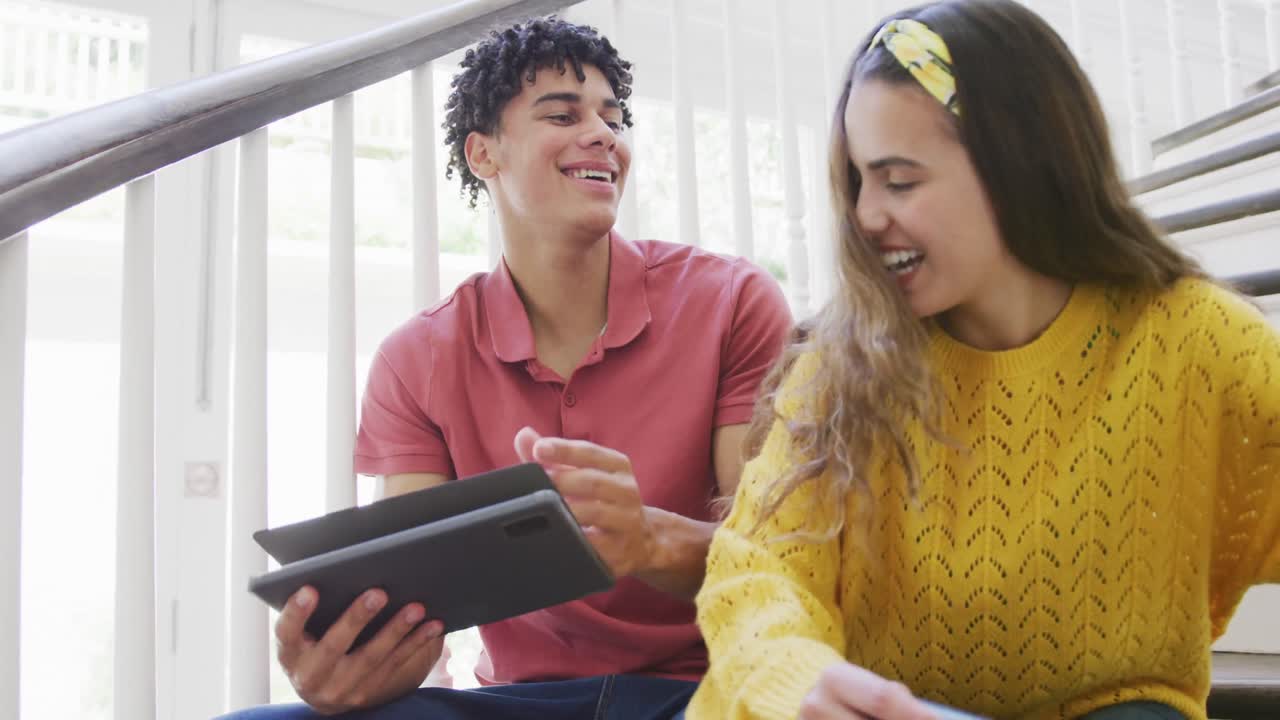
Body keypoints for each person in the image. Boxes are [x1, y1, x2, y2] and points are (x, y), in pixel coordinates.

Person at [684, 2, 1280, 719]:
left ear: (1019, 166)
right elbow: (759, 570)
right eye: (858, 183)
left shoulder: (1195, 338)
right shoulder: (840, 367)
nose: (866, 214)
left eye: (899, 181)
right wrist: (800, 680)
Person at [218, 15, 792, 720]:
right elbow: (414, 605)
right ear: (483, 153)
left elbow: (775, 559)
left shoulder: (732, 301)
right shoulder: (417, 358)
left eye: (612, 118)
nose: (604, 134)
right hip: (519, 703)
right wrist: (351, 662)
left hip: (709, 694)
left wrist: (647, 539)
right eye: (563, 113)